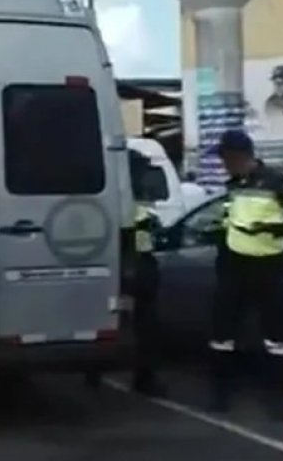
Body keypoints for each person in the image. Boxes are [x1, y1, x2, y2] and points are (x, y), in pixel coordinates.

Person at [206, 129, 283, 420]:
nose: (223, 164)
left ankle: (278, 400)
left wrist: (269, 229)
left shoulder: (277, 182)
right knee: (223, 335)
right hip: (234, 268)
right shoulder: (233, 184)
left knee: (277, 340)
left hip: (269, 269)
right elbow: (230, 218)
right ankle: (221, 395)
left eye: (226, 158)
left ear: (240, 156)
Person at [127, 149, 167, 397]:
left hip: (127, 263)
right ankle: (145, 378)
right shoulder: (141, 201)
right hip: (141, 264)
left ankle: (94, 374)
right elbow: (150, 236)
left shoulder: (121, 197)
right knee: (146, 326)